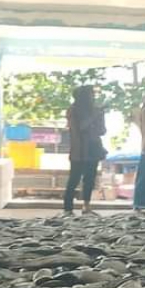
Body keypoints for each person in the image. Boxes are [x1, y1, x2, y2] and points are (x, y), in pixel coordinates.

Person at [63, 85, 106, 215]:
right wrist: (94, 116)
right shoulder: (73, 110)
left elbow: (102, 130)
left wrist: (100, 117)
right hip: (79, 150)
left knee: (90, 179)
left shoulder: (95, 110)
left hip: (93, 148)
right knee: (74, 179)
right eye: (90, 95)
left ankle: (86, 206)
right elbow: (80, 127)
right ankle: (68, 208)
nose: (93, 97)